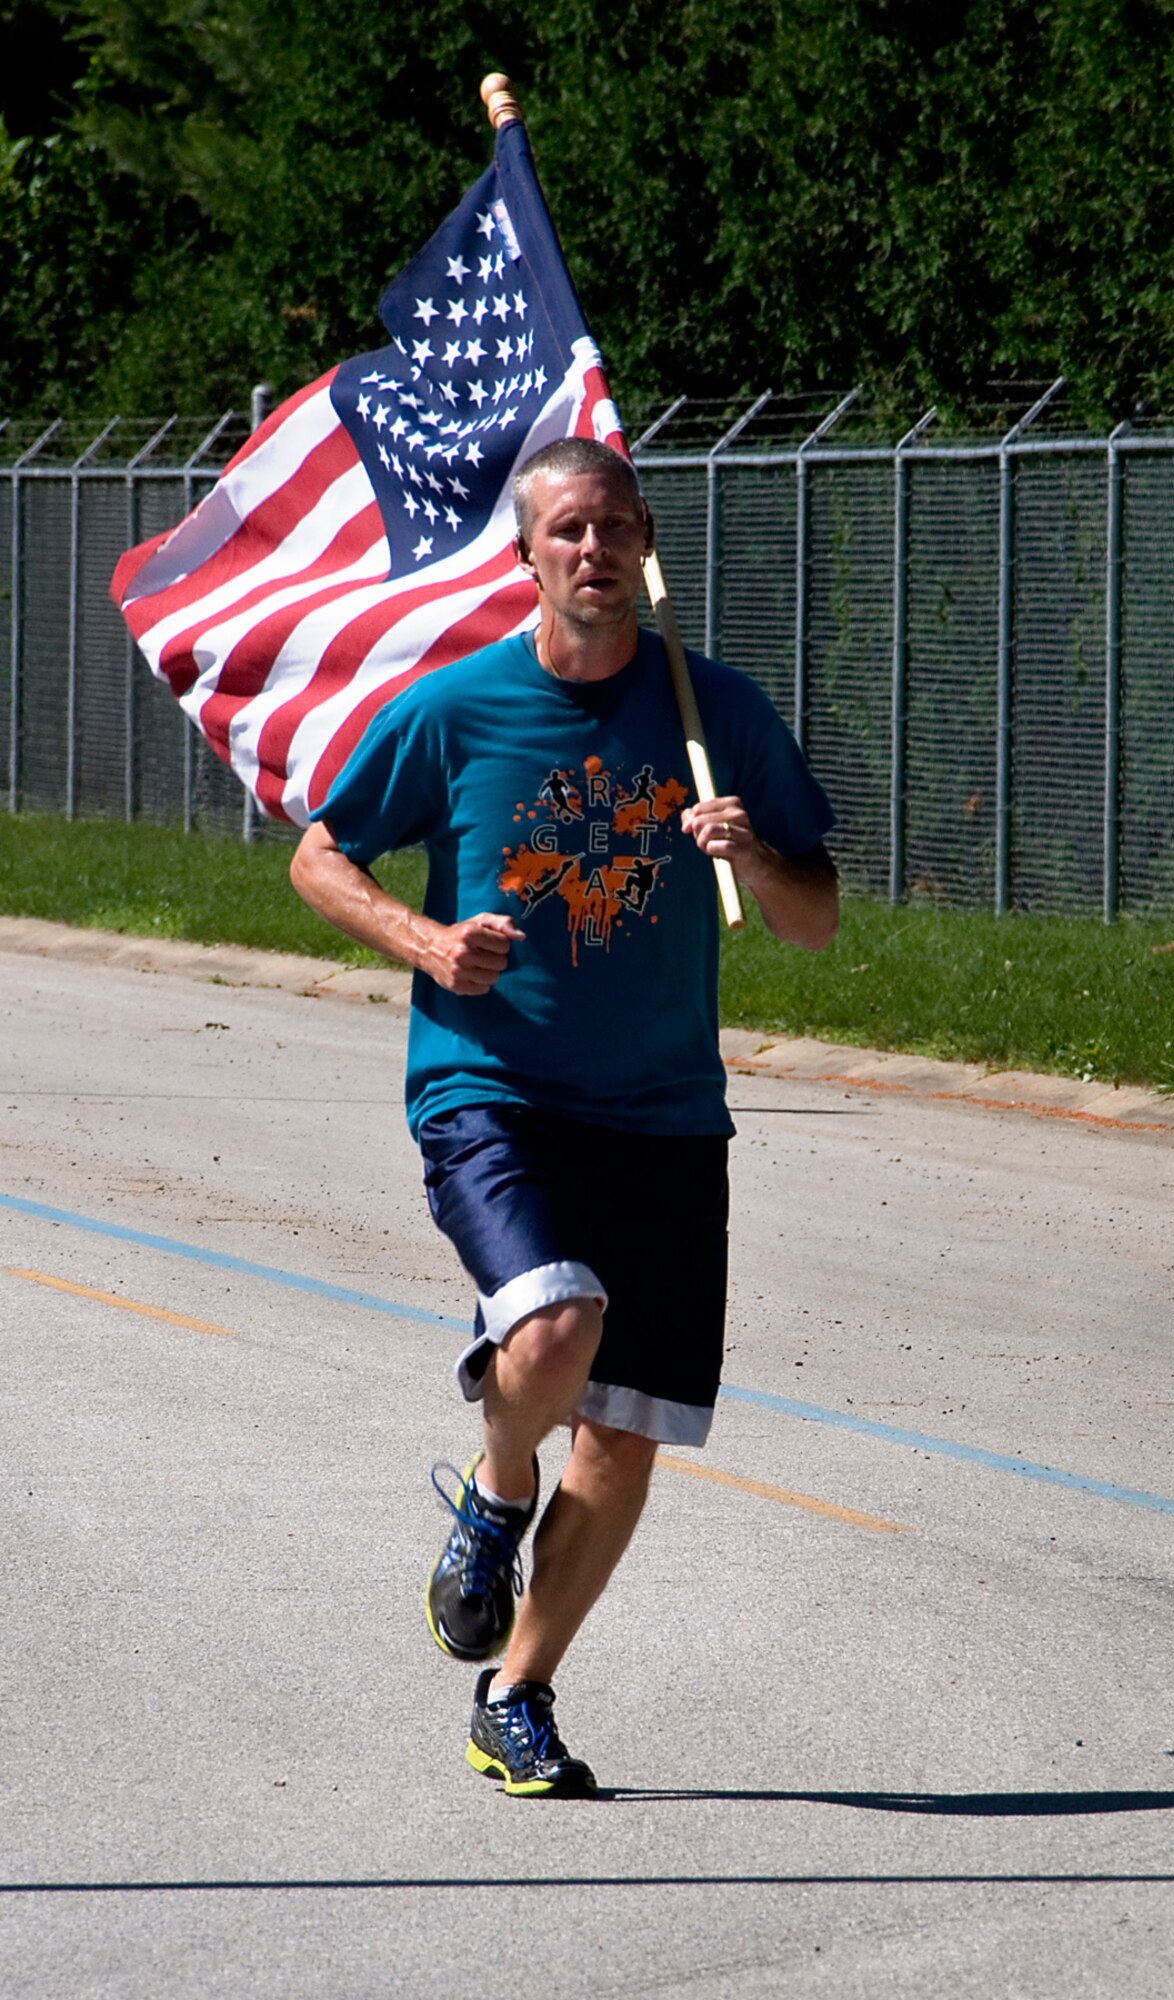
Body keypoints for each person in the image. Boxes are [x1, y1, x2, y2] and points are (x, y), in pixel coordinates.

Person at [290, 437, 838, 1797]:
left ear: (642, 545)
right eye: (566, 531)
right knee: (554, 1325)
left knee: (628, 1427)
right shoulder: (456, 710)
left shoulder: (716, 711)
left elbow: (816, 920)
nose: (591, 551)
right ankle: (494, 1487)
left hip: (663, 1114)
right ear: (528, 555)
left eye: (613, 529)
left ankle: (515, 1694)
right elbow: (318, 855)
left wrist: (750, 853)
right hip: (498, 1094)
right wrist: (421, 939)